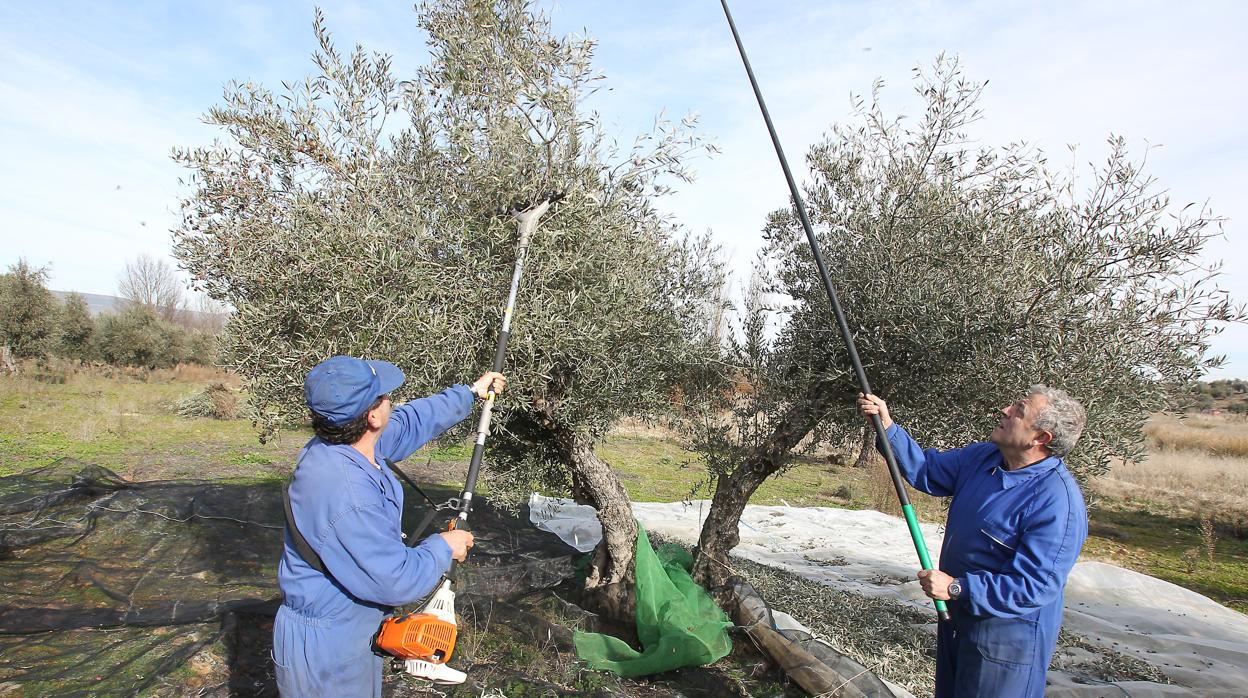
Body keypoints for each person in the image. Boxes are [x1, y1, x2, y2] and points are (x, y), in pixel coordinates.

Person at [272, 355, 506, 697]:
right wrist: (443, 545)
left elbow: (411, 422)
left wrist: (470, 393)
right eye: (384, 396)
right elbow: (395, 580)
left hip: (348, 634)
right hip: (326, 652)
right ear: (372, 415)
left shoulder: (343, 444)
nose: (391, 402)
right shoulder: (349, 495)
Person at [857, 386, 1088, 698]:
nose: (1005, 411)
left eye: (1019, 410)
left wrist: (957, 587)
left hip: (1006, 641)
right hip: (958, 622)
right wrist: (887, 428)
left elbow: (1034, 586)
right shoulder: (984, 457)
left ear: (1041, 438)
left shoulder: (1057, 503)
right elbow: (927, 470)